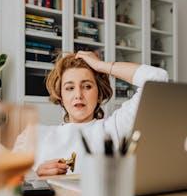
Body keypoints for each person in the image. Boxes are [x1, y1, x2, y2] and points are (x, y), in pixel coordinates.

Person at [14, 51, 168, 176]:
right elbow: (8, 183)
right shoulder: (35, 134)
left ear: (99, 95)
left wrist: (101, 65)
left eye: (87, 86)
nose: (78, 95)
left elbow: (157, 78)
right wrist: (35, 176)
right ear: (61, 96)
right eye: (69, 88)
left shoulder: (114, 127)